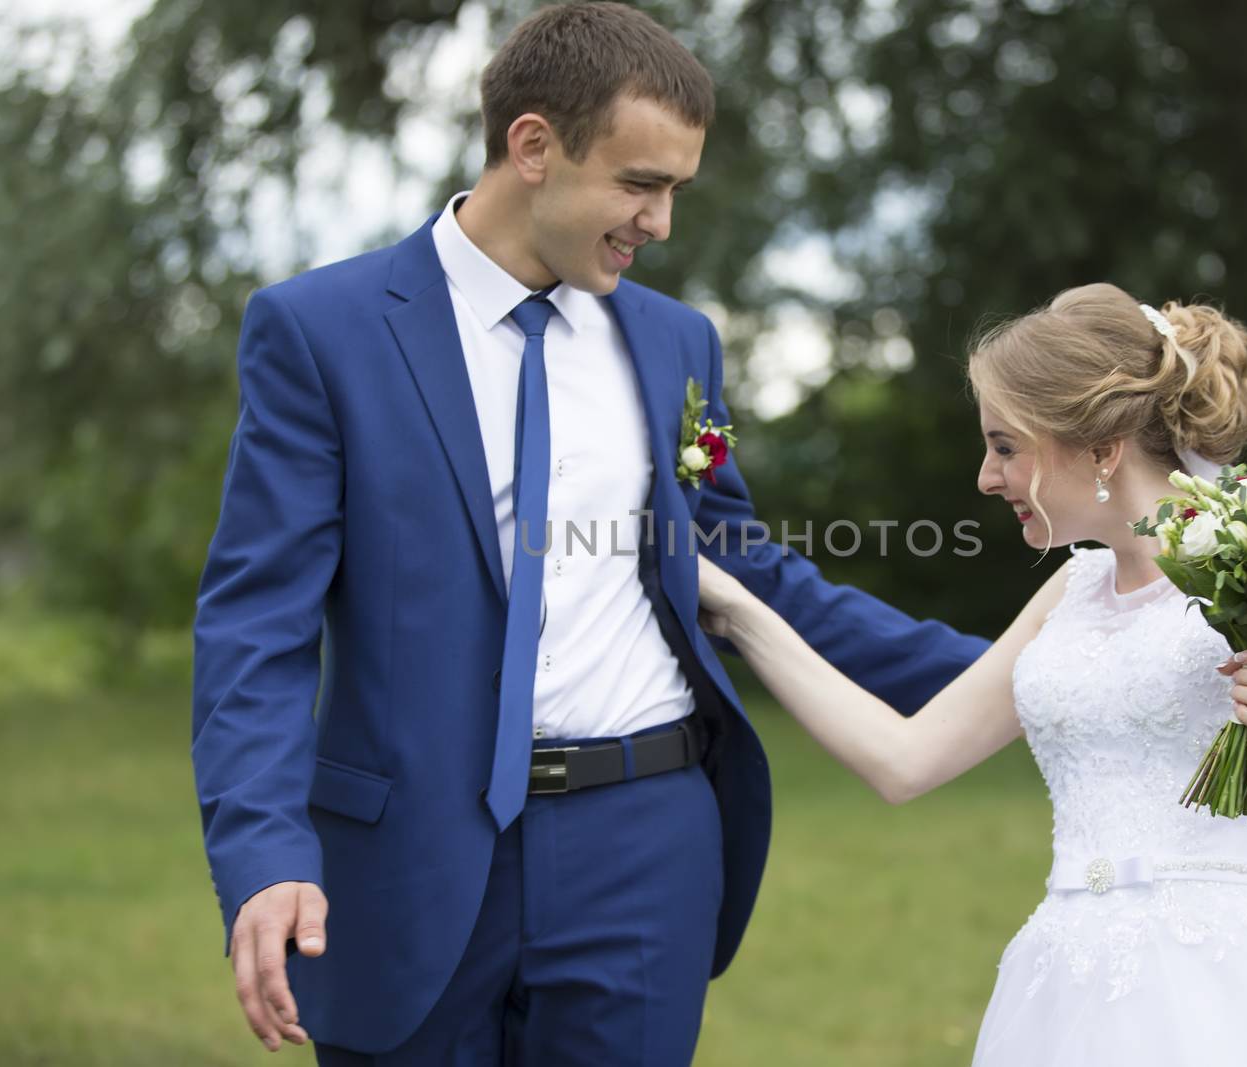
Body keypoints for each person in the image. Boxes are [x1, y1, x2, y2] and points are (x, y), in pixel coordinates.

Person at [189, 4, 986, 1064]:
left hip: (643, 841)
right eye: (638, 184)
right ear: (532, 146)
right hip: (407, 851)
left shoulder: (674, 341)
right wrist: (263, 848)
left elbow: (745, 570)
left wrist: (1014, 669)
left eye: (674, 191)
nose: (659, 222)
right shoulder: (321, 331)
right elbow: (257, 622)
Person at [697, 283, 1247, 1065]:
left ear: (1102, 448)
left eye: (1006, 446)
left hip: (1243, 992)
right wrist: (737, 612)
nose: (986, 476)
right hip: (1066, 993)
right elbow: (903, 760)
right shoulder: (1068, 591)